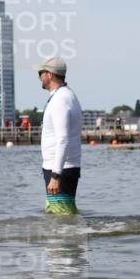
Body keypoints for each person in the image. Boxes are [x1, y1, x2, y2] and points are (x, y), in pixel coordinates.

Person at [35, 56, 82, 214]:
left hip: (61, 170)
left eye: (40, 72)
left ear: (50, 74)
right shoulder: (64, 95)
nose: (38, 77)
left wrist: (55, 176)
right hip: (60, 167)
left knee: (62, 217)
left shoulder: (61, 99)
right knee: (59, 215)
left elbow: (63, 139)